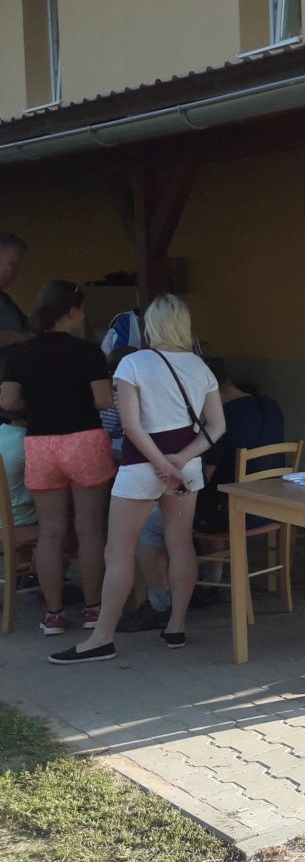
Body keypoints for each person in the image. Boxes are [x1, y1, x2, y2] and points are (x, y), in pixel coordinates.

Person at [50, 294, 225, 663]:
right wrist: (179, 461)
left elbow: (131, 425)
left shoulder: (133, 363)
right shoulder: (201, 367)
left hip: (142, 466)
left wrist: (161, 464)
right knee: (180, 544)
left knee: (118, 552)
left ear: (151, 325)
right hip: (186, 466)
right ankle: (176, 625)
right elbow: (217, 426)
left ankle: (102, 637)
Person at [116, 368, 286, 631]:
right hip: (272, 507)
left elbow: (202, 479)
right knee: (197, 507)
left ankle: (159, 603)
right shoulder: (271, 405)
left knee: (149, 527)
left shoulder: (220, 422)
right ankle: (210, 583)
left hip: (230, 513)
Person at [0, 281, 114, 636]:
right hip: (84, 440)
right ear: (73, 312)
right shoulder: (89, 352)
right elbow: (103, 401)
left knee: (50, 533)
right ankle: (93, 610)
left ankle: (53, 615)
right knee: (89, 530)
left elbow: (7, 402)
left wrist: (38, 404)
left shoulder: (20, 353)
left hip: (41, 443)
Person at [0, 232, 29, 358]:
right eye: (13, 264)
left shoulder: (5, 300)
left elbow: (29, 329)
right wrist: (16, 338)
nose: (18, 271)